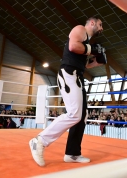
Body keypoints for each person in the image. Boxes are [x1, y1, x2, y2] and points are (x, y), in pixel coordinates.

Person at [29, 16, 105, 166]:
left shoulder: (87, 42)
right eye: (100, 24)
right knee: (74, 114)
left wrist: (98, 60)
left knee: (82, 115)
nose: (102, 28)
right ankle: (39, 141)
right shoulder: (80, 29)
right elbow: (73, 46)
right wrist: (92, 50)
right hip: (69, 73)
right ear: (92, 23)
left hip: (78, 75)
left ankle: (73, 153)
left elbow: (85, 64)